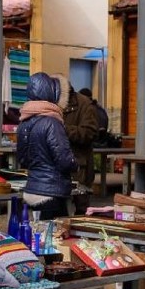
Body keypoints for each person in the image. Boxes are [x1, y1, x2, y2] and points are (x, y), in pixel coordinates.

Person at [15, 73, 77, 289]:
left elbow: (22, 158)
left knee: (35, 247)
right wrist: (75, 164)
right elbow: (64, 158)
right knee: (52, 248)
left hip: (32, 190)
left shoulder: (25, 122)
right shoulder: (52, 122)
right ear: (51, 94)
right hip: (51, 192)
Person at [53, 75, 98, 214]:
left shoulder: (84, 104)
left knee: (81, 211)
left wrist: (63, 129)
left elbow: (89, 133)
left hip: (79, 167)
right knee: (55, 210)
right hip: (56, 166)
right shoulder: (51, 103)